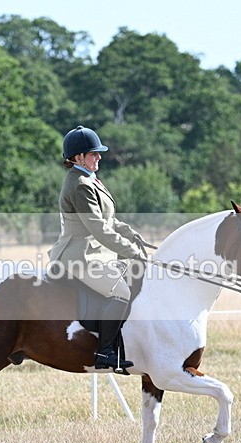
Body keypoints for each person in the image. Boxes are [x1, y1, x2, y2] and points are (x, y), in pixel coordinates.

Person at [48, 125, 147, 373]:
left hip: (95, 253)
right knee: (121, 292)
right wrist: (131, 251)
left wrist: (132, 235)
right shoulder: (80, 184)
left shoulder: (90, 179)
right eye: (94, 153)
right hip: (79, 256)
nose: (99, 157)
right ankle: (105, 353)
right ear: (78, 157)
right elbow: (98, 230)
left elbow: (109, 221)